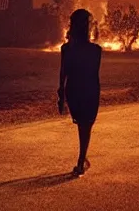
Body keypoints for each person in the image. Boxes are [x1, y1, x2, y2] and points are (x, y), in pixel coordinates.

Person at [57, 9, 102, 177]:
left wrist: (61, 96)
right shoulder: (96, 50)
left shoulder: (66, 49)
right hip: (89, 89)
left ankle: (82, 158)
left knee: (82, 126)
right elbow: (93, 72)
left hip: (74, 90)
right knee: (86, 126)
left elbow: (63, 73)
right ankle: (81, 160)